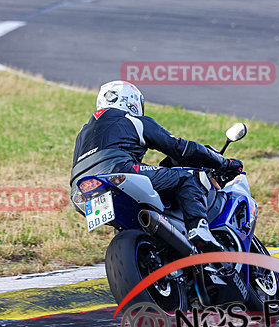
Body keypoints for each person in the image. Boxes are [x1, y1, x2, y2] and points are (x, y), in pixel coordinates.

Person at [70, 80, 243, 250]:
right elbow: (179, 148)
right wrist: (223, 162)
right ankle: (199, 230)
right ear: (131, 101)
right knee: (185, 178)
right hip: (119, 170)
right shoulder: (132, 120)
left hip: (80, 189)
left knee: (127, 217)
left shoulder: (82, 132)